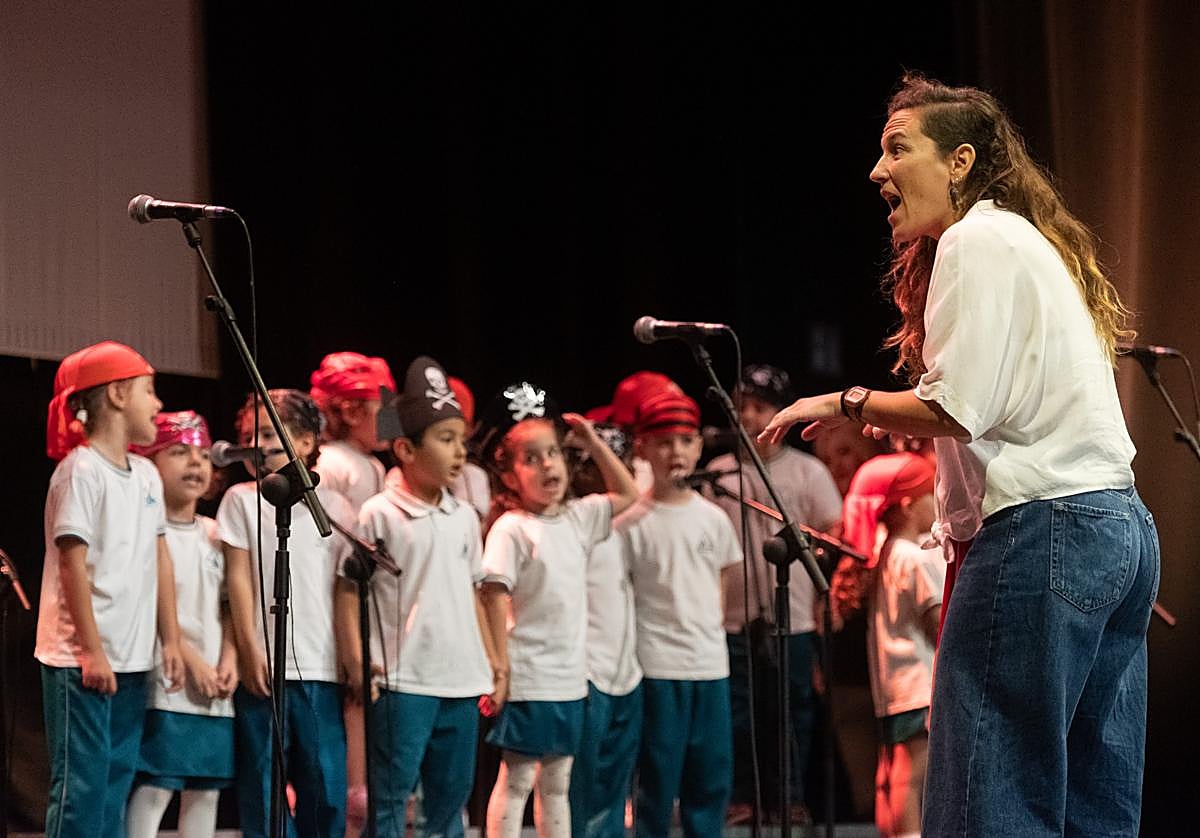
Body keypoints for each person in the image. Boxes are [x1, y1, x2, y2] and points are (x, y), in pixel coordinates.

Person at [760, 73, 1159, 835]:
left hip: (1045, 534)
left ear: (960, 161)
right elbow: (997, 404)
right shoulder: (1027, 241)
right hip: (1118, 531)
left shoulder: (974, 239)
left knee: (990, 800)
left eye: (895, 149)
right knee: (1091, 807)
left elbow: (955, 407)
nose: (877, 171)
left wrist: (843, 401)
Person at [334, 356, 500, 837]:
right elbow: (348, 589)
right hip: (404, 681)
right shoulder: (379, 514)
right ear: (405, 448)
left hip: (461, 681)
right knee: (389, 801)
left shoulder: (465, 516)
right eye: (445, 441)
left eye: (461, 442)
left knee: (449, 806)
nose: (458, 453)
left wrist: (491, 662)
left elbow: (473, 590)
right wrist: (356, 660)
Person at [477, 382, 640, 838]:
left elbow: (628, 495)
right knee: (518, 780)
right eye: (531, 458)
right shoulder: (512, 528)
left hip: (570, 679)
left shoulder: (578, 518)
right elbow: (492, 595)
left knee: (558, 784)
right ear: (509, 477)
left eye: (552, 453)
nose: (548, 464)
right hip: (530, 676)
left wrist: (591, 442)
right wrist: (500, 668)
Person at [37, 341, 183, 835]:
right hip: (82, 662)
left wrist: (172, 639)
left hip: (133, 659)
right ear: (119, 395)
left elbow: (158, 560)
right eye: (149, 391)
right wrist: (92, 651)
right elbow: (72, 565)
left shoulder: (144, 474)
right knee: (82, 787)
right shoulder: (81, 471)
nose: (157, 405)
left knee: (116, 782)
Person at [217, 390, 356, 838]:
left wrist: (350, 658)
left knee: (325, 786)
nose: (255, 444)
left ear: (306, 440)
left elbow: (342, 591)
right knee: (263, 785)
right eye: (246, 437)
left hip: (320, 665)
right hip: (264, 665)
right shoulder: (241, 499)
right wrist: (248, 645)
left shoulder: (334, 507)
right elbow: (238, 578)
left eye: (266, 433)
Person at [709, 364, 842, 825]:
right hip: (731, 614)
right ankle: (743, 797)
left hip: (796, 614)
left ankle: (789, 797)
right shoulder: (718, 474)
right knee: (739, 712)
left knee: (791, 711)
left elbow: (831, 533)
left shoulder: (807, 471)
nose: (748, 416)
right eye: (742, 406)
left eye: (759, 407)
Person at [617, 390, 742, 838]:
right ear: (643, 448)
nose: (676, 452)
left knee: (709, 782)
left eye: (686, 440)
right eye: (664, 441)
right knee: (655, 781)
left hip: (709, 666)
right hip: (655, 668)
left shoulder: (714, 519)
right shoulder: (629, 523)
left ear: (699, 447)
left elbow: (722, 592)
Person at [126, 411, 238, 838]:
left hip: (215, 686)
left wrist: (230, 657)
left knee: (206, 791)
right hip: (169, 683)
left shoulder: (215, 534)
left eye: (201, 454)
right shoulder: (149, 535)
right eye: (178, 452)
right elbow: (153, 606)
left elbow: (231, 605)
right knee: (157, 786)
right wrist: (191, 660)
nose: (195, 463)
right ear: (150, 463)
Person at [308, 350, 395, 829]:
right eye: (383, 406)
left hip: (365, 606)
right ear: (351, 410)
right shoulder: (338, 464)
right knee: (354, 710)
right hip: (339, 604)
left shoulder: (369, 465)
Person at [838, 453, 943, 838]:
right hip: (920, 684)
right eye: (931, 493)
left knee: (892, 771)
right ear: (908, 504)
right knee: (914, 774)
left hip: (894, 687)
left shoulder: (886, 555)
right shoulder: (915, 559)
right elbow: (937, 625)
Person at [565, 412, 643, 838]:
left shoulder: (625, 526)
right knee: (581, 787)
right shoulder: (576, 520)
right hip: (586, 675)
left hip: (625, 673)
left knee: (614, 788)